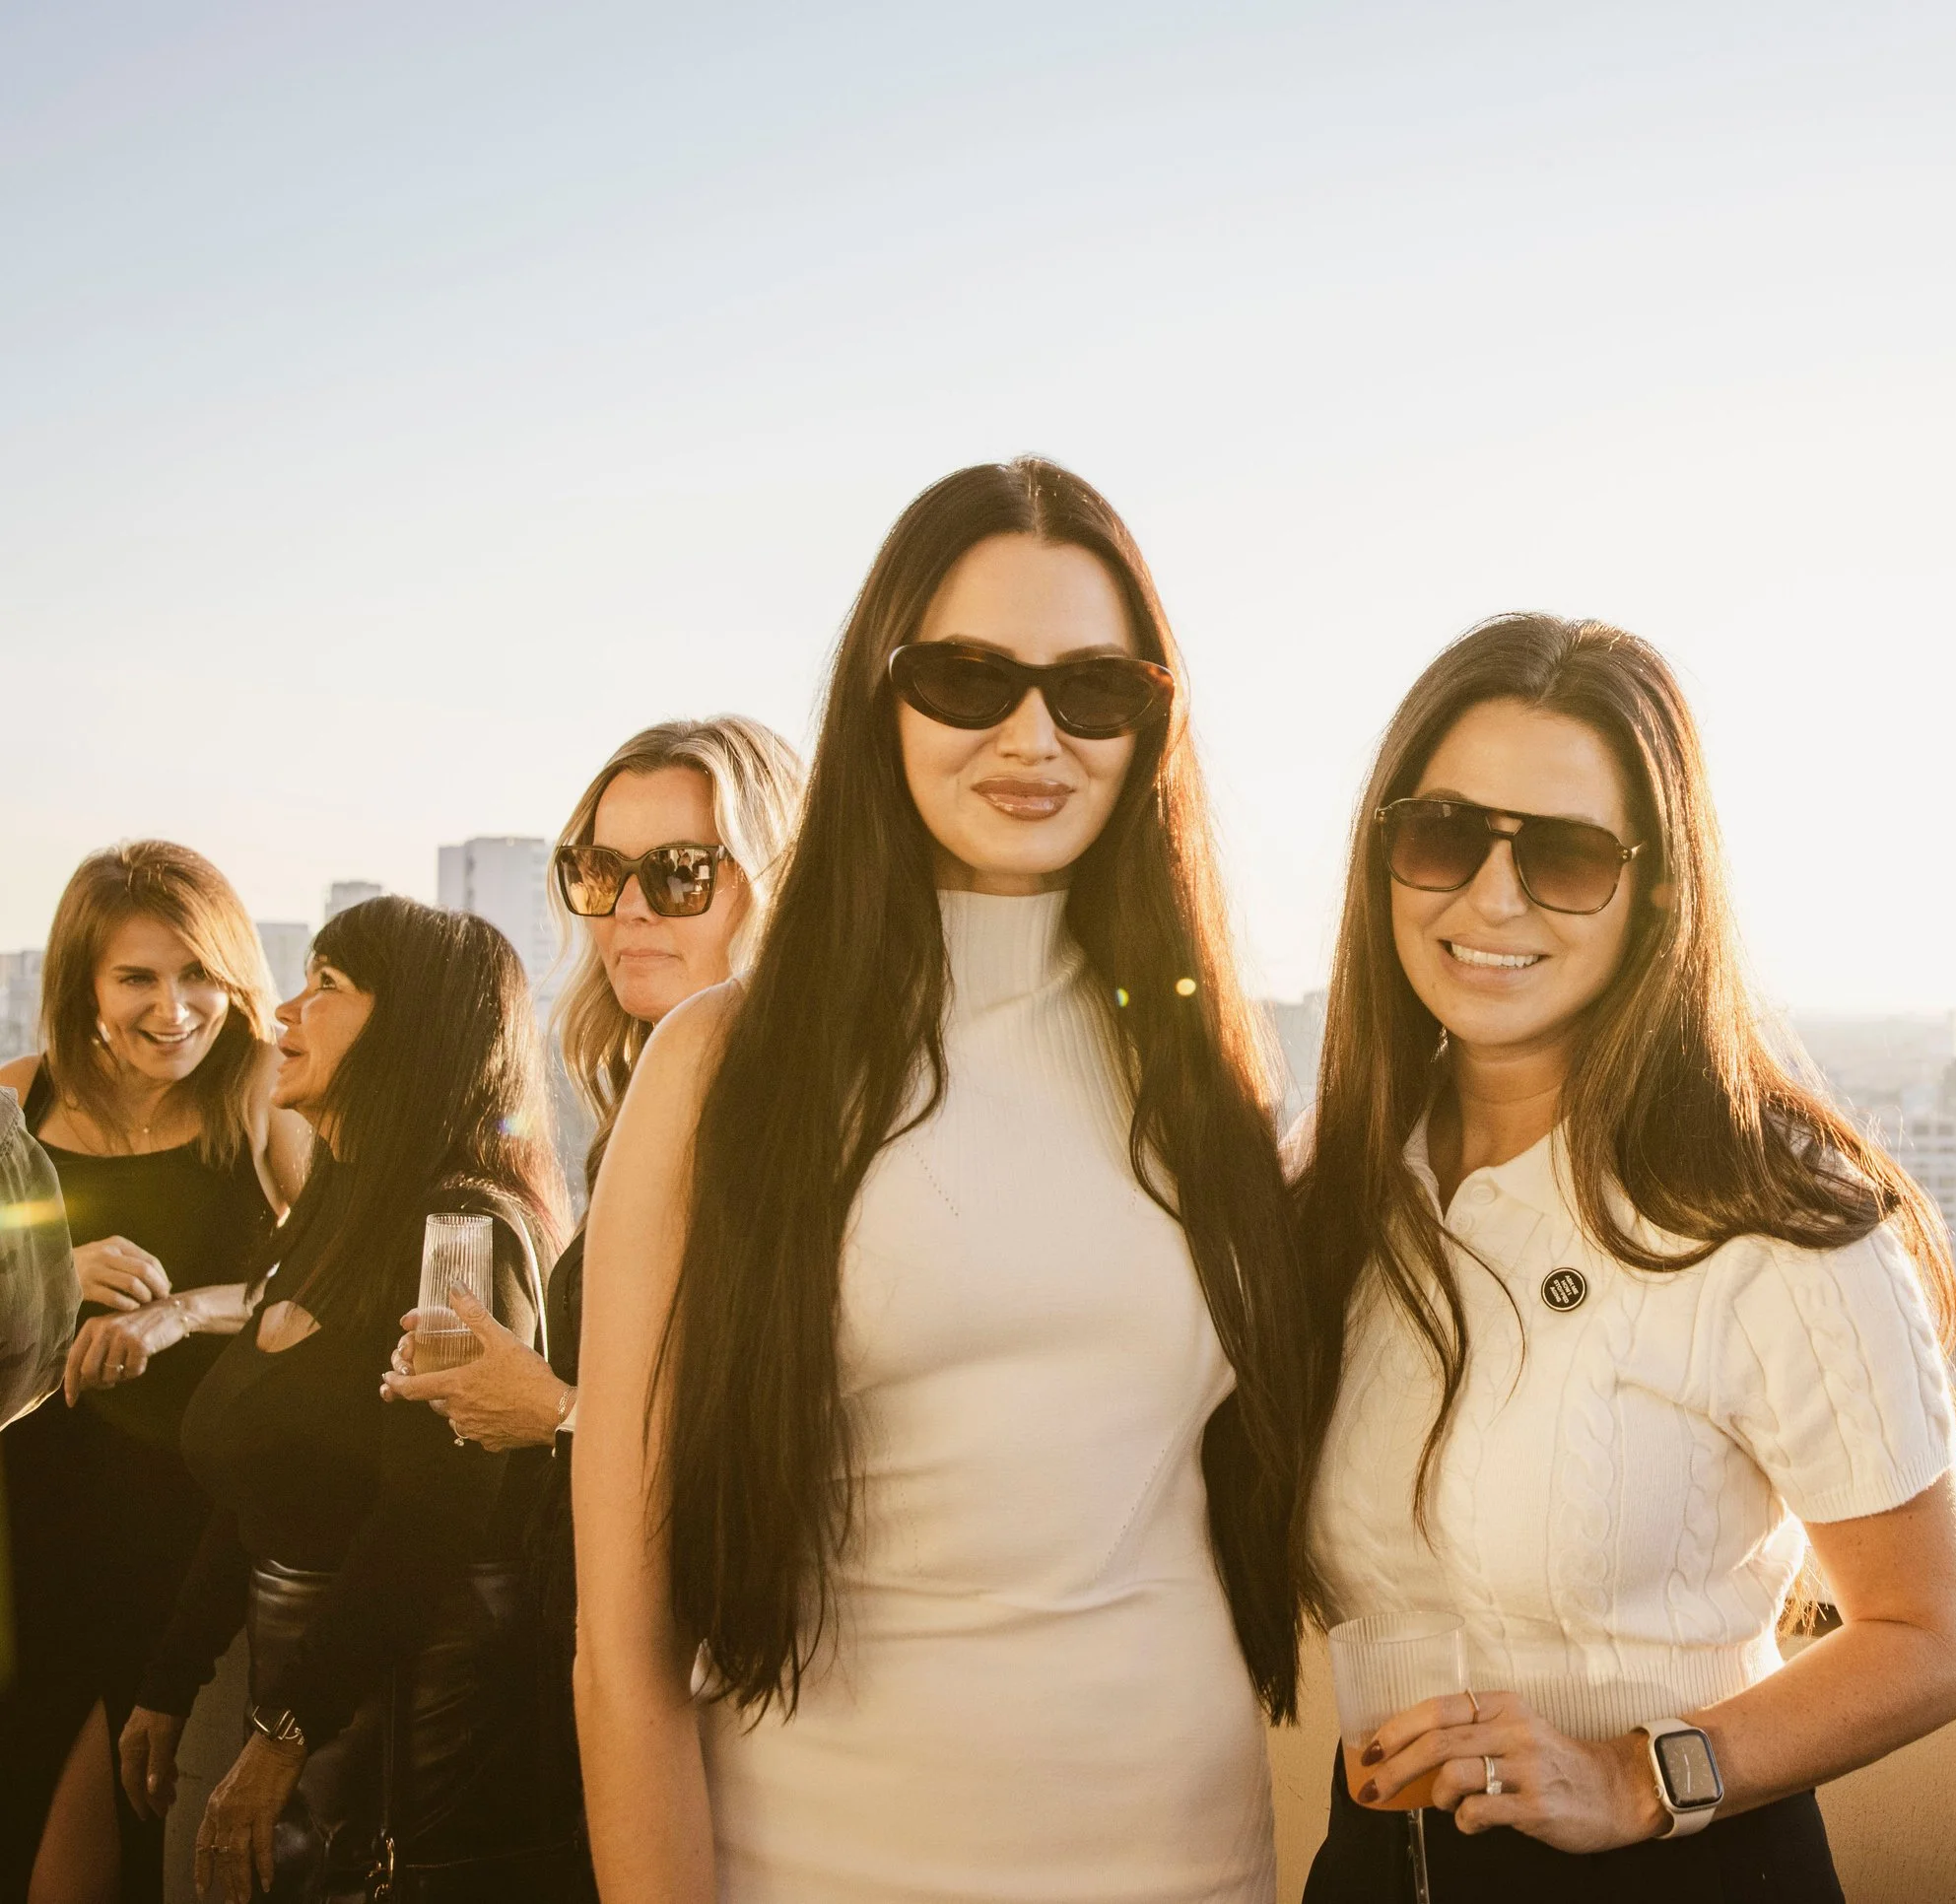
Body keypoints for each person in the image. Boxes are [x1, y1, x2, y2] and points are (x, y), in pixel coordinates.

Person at [574, 458, 1315, 1903]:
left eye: (1095, 690)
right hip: (819, 1856)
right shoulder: (721, 1070)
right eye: (969, 678)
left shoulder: (1209, 1067)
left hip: (1186, 1854)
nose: (1035, 736)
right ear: (879, 699)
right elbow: (624, 1641)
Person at [1294, 616, 1956, 1903]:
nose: (1490, 899)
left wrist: (1640, 1778)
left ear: (1659, 887)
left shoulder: (1770, 1216)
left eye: (1563, 857)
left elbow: (1932, 1638)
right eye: (1445, 833)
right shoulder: (1329, 1189)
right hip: (1373, 1873)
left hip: (1673, 1878)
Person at [377, 715, 805, 1891]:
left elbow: (784, 1446)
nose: (628, 909)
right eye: (598, 870)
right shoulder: (640, 1112)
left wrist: (554, 1409)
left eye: (678, 873)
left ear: (774, 885)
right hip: (608, 1674)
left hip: (732, 1722)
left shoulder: (788, 1132)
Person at [117, 898, 577, 1904]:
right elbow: (257, 1487)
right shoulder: (328, 1221)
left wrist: (280, 1741)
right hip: (320, 1723)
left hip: (406, 1762)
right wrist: (170, 1678)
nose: (285, 1010)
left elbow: (431, 1520)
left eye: (326, 986)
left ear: (410, 1025)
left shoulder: (457, 1233)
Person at [0, 842, 314, 1904]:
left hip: (188, 1530)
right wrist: (50, 1272)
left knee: (135, 1837)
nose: (174, 1008)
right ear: (83, 981)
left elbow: (340, 1292)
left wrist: (187, 1310)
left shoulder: (265, 1094)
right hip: (28, 1526)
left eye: (199, 976)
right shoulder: (14, 1106)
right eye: (137, 977)